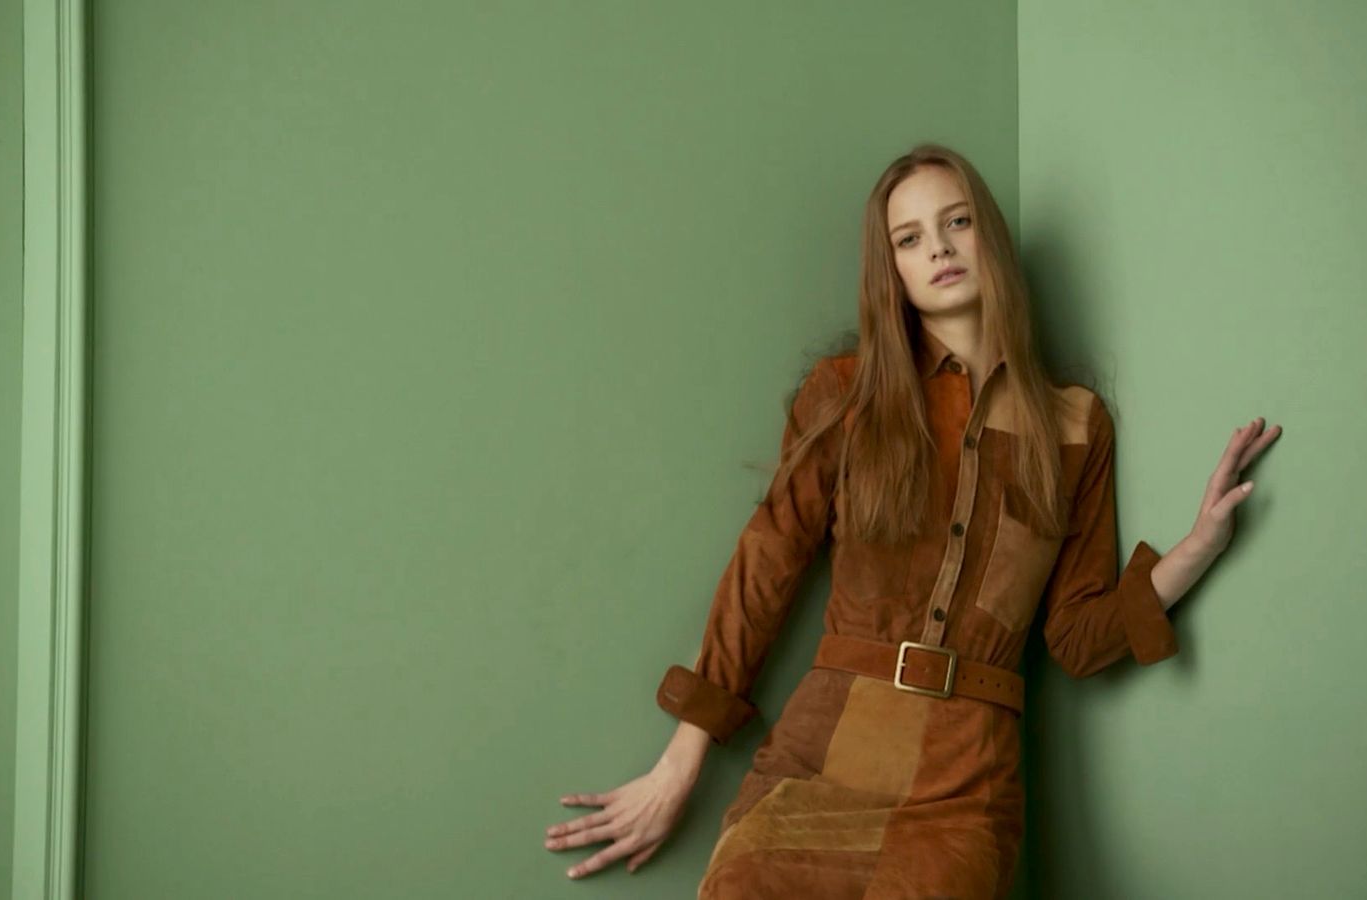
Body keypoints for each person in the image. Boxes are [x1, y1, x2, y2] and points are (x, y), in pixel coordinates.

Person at [541, 143, 1280, 897]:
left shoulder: (1076, 425)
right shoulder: (845, 395)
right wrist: (680, 763)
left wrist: (1196, 549)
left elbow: (1078, 638)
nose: (940, 249)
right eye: (910, 237)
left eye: (957, 222)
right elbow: (767, 565)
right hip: (822, 753)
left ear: (987, 233)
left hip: (965, 783)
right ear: (888, 265)